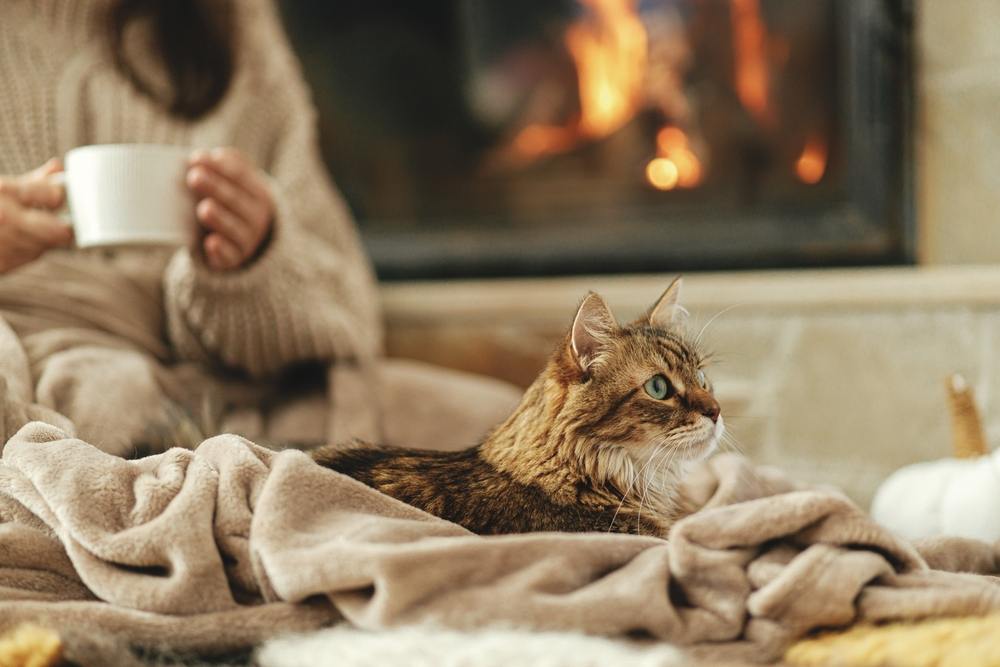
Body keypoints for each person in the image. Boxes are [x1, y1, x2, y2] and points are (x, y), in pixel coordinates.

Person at [0, 0, 519, 455]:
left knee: (509, 426)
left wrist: (254, 254)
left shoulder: (230, 20)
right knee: (110, 405)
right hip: (33, 371)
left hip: (223, 386)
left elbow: (348, 306)